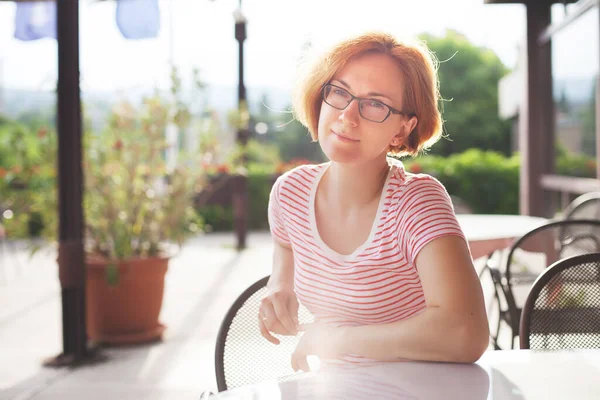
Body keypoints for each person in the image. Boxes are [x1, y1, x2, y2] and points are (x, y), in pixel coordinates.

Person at [259, 31, 489, 373]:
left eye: (375, 104)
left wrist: (338, 340)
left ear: (402, 129)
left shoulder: (417, 203)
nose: (348, 116)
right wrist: (278, 283)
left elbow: (466, 333)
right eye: (339, 92)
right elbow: (286, 246)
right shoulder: (289, 193)